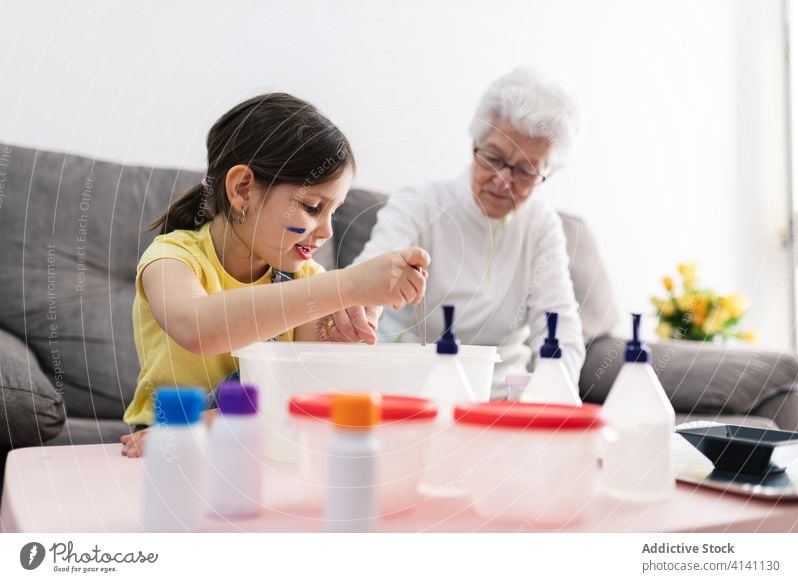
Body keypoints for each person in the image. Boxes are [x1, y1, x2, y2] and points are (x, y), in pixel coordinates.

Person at [121, 93, 429, 457]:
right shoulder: (173, 258)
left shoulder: (308, 281)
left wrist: (352, 330)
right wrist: (346, 284)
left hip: (262, 446)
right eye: (312, 207)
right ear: (242, 189)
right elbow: (197, 328)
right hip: (167, 446)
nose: (327, 231)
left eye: (334, 211)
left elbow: (303, 400)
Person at [352, 67, 585, 395]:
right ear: (475, 142)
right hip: (410, 393)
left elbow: (560, 326)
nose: (503, 180)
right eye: (493, 157)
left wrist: (556, 393)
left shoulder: (542, 225)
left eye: (526, 171)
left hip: (500, 399)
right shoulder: (419, 204)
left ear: (548, 172)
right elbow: (358, 284)